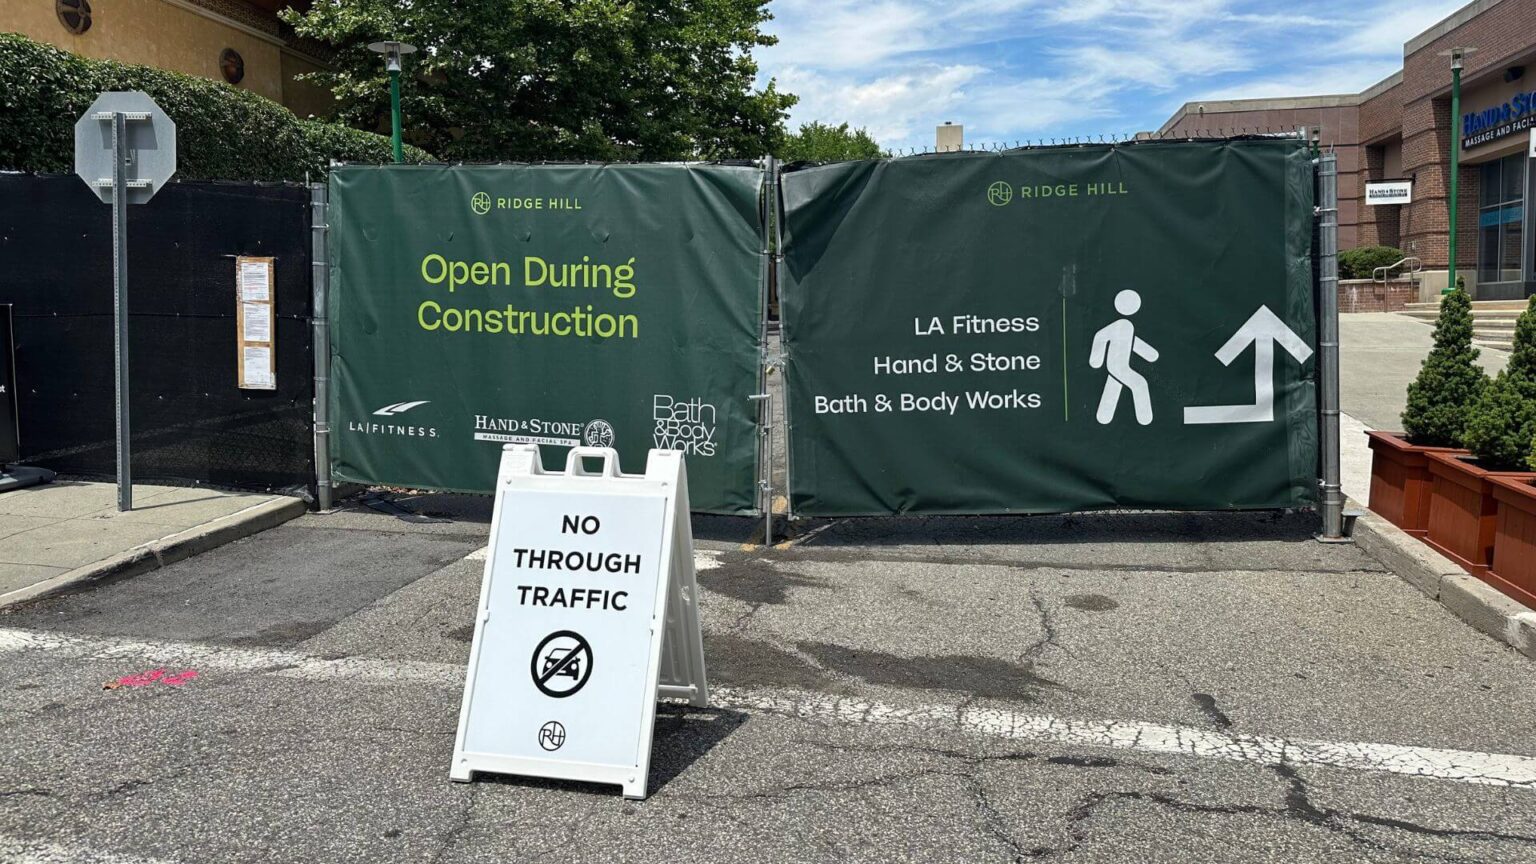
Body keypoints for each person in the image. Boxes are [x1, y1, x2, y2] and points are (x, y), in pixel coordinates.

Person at [1089, 289, 1158, 425]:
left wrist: (1150, 354)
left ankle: (1104, 416)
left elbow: (1133, 342)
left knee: (1113, 386)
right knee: (1140, 383)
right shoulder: (1120, 325)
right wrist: (1096, 359)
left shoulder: (1127, 326)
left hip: (1118, 366)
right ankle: (1145, 418)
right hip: (1117, 365)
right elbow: (1100, 337)